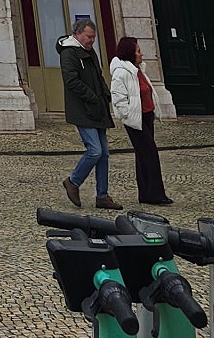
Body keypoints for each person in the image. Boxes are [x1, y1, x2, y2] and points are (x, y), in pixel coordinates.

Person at [59, 14, 118, 211]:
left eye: (94, 37)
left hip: (97, 107)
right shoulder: (69, 53)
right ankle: (73, 181)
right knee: (95, 151)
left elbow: (98, 75)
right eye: (89, 37)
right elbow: (71, 81)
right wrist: (92, 97)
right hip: (82, 109)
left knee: (104, 154)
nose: (92, 40)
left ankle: (102, 195)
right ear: (77, 34)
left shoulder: (90, 52)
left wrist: (105, 94)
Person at [110, 35, 171, 207]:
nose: (141, 54)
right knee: (150, 154)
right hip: (135, 119)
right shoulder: (122, 73)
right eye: (138, 51)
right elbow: (118, 99)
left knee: (143, 155)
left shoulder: (138, 70)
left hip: (147, 115)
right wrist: (128, 116)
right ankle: (156, 194)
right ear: (130, 53)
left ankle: (145, 193)